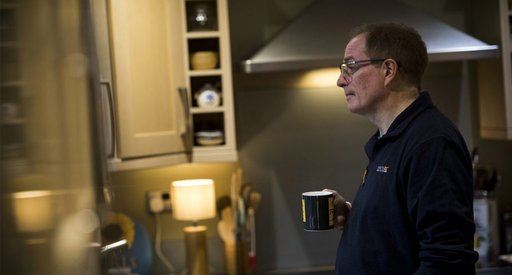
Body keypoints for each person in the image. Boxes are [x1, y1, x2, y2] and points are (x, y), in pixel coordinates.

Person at [327, 22, 479, 274]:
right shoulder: (391, 139)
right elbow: (401, 230)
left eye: (351, 66)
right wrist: (355, 216)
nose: (341, 80)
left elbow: (445, 261)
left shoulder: (431, 143)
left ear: (388, 70)